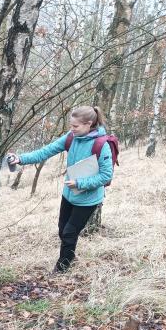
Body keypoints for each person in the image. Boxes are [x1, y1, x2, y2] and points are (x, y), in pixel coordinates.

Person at [8, 105, 113, 272]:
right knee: (63, 230)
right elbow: (45, 152)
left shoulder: (102, 145)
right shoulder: (71, 137)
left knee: (70, 232)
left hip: (87, 200)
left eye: (75, 126)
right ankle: (69, 256)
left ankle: (62, 268)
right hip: (69, 194)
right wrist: (20, 159)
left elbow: (106, 176)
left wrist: (80, 183)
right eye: (71, 125)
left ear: (89, 124)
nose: (72, 129)